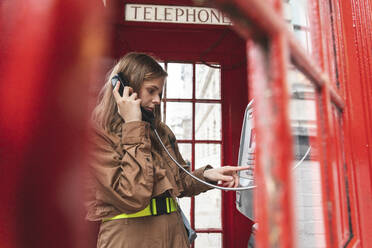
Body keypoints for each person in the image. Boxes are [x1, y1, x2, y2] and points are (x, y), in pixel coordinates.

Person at [85, 52, 249, 248]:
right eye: (151, 91)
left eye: (160, 93)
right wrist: (133, 125)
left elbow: (178, 182)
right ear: (124, 89)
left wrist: (207, 175)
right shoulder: (98, 135)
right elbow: (131, 196)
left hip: (173, 235)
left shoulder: (159, 131)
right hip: (130, 238)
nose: (157, 100)